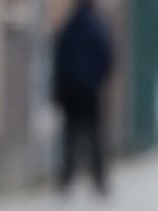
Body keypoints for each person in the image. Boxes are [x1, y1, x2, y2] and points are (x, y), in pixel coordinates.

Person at [52, 0, 114, 197]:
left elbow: (59, 60)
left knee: (70, 134)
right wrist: (98, 80)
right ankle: (99, 180)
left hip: (70, 89)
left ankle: (66, 179)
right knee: (94, 135)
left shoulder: (68, 28)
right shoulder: (97, 28)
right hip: (90, 90)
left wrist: (59, 89)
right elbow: (106, 57)